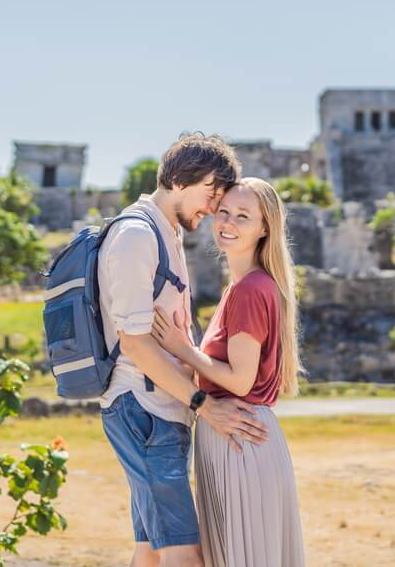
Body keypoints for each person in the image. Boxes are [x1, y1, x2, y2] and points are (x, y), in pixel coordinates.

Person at [97, 134, 269, 567]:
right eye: (211, 193)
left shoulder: (165, 233)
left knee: (151, 551)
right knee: (185, 553)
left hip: (157, 407)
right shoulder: (138, 235)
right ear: (178, 179)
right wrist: (203, 404)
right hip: (144, 408)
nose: (213, 208)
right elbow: (135, 342)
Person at [151, 177, 305, 566]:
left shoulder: (251, 289)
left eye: (243, 216)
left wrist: (181, 348)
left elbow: (239, 380)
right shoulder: (242, 287)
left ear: (264, 227)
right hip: (237, 435)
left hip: (239, 439)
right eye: (223, 212)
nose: (228, 223)